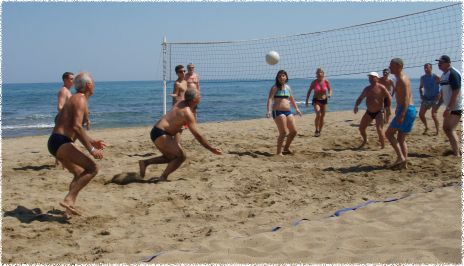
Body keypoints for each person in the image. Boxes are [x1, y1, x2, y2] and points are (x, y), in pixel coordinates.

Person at [47, 72, 106, 218]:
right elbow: (76, 127)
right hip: (61, 141)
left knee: (79, 173)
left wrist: (92, 141)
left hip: (56, 142)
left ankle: (68, 209)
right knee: (92, 168)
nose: (94, 85)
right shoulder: (79, 98)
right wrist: (91, 149)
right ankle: (69, 199)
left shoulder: (79, 98)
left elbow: (73, 127)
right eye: (93, 82)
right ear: (88, 85)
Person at [139, 88, 221, 181]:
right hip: (161, 134)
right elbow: (197, 135)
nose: (201, 96)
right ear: (194, 99)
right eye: (199, 95)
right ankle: (163, 177)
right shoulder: (187, 113)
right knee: (181, 156)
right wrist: (210, 148)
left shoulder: (181, 102)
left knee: (170, 157)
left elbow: (177, 120)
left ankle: (145, 163)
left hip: (157, 131)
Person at [385, 58, 417, 169]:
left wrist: (402, 114)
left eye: (391, 65)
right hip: (409, 110)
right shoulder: (401, 79)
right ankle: (404, 163)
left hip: (406, 110)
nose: (389, 67)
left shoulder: (402, 80)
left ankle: (401, 157)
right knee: (401, 138)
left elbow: (406, 99)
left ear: (398, 66)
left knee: (388, 134)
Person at [266, 70, 302, 156]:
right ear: (277, 78)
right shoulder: (274, 88)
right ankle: (279, 152)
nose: (281, 77)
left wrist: (297, 109)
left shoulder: (288, 87)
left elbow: (292, 99)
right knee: (283, 132)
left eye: (283, 75)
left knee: (294, 131)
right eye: (279, 76)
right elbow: (270, 99)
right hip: (277, 111)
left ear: (286, 77)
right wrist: (269, 111)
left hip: (288, 111)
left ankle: (286, 148)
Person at [354, 72, 392, 149]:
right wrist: (356, 106)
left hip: (379, 111)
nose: (370, 79)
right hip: (369, 111)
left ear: (377, 78)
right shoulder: (367, 89)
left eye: (372, 77)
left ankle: (382, 146)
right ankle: (365, 140)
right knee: (361, 128)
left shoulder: (382, 87)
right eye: (369, 77)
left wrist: (388, 108)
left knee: (379, 129)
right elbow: (360, 98)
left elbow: (389, 98)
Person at [436, 55, 462, 156]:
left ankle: (457, 153)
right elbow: (444, 92)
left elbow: (456, 91)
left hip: (457, 106)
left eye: (441, 62)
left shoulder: (453, 73)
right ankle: (457, 150)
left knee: (449, 129)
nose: (439, 64)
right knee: (446, 128)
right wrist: (438, 105)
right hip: (451, 106)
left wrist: (449, 108)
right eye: (438, 62)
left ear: (448, 63)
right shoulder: (443, 75)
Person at [305, 68, 333, 137]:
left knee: (322, 116)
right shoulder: (314, 82)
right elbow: (309, 91)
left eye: (320, 72)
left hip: (324, 100)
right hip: (316, 100)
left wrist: (329, 94)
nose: (319, 73)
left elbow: (330, 89)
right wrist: (307, 100)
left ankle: (319, 131)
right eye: (317, 72)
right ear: (316, 74)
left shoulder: (326, 81)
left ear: (323, 74)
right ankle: (316, 129)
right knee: (318, 114)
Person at [418, 63, 441, 135]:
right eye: (424, 68)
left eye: (427, 68)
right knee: (421, 114)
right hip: (426, 98)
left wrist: (439, 95)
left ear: (431, 68)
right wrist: (421, 94)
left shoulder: (436, 77)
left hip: (435, 98)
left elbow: (443, 87)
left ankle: (437, 131)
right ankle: (426, 127)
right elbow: (421, 87)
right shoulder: (423, 78)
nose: (425, 69)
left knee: (433, 115)